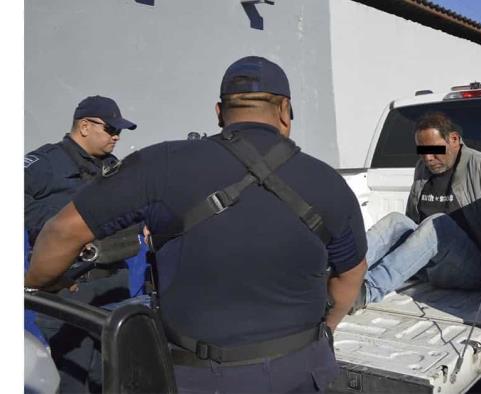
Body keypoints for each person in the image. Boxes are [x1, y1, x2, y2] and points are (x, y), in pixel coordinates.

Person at [26, 56, 368, 393]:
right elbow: (351, 274)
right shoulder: (329, 182)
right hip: (300, 371)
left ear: (219, 112)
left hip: (200, 377)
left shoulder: (160, 164)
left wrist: (42, 284)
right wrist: (326, 327)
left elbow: (63, 230)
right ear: (284, 110)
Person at [24, 95, 138, 392]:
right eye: (111, 129)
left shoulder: (117, 169)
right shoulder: (46, 163)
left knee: (113, 379)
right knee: (71, 380)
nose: (116, 136)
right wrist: (58, 229)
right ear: (85, 126)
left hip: (114, 287)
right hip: (69, 287)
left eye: (120, 131)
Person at [356, 112, 481, 306]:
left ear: (453, 139)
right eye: (422, 151)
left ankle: (365, 291)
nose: (428, 158)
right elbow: (412, 220)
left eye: (434, 149)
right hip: (431, 266)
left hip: (474, 271)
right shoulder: (422, 168)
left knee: (437, 224)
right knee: (396, 220)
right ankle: (341, 274)